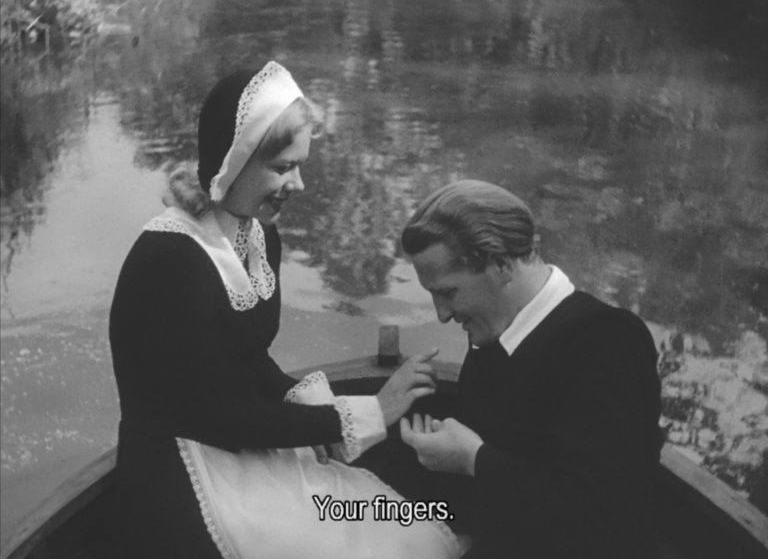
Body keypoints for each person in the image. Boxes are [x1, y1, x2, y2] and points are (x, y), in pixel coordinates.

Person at [108, 61, 463, 559]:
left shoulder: (257, 233)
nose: (298, 184)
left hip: (239, 445)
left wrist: (324, 411)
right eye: (282, 167)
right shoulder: (170, 258)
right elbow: (217, 414)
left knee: (402, 531)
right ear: (234, 161)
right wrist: (361, 415)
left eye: (299, 166)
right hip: (180, 469)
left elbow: (247, 363)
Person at [397, 179, 664, 559]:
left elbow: (604, 517)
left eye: (448, 292)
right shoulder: (497, 330)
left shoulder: (606, 343)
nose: (441, 314)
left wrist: (475, 460)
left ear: (502, 264)